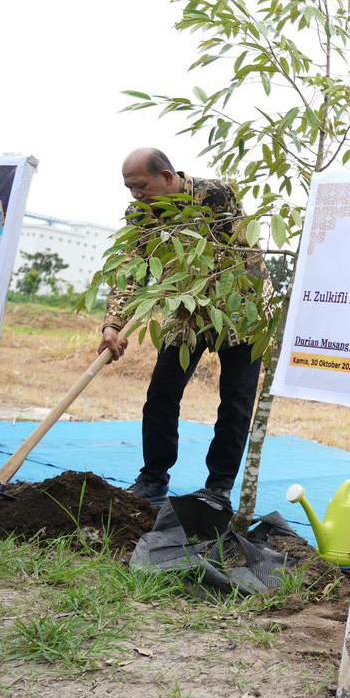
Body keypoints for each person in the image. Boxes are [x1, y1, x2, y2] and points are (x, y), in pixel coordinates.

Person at [100, 148, 268, 512]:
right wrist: (113, 324)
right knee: (162, 392)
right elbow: (130, 268)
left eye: (141, 186)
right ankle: (153, 479)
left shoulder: (214, 195)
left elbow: (228, 258)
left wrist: (179, 286)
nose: (136, 195)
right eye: (130, 188)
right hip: (185, 309)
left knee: (236, 400)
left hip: (240, 305)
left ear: (167, 176)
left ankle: (218, 489)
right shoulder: (140, 214)